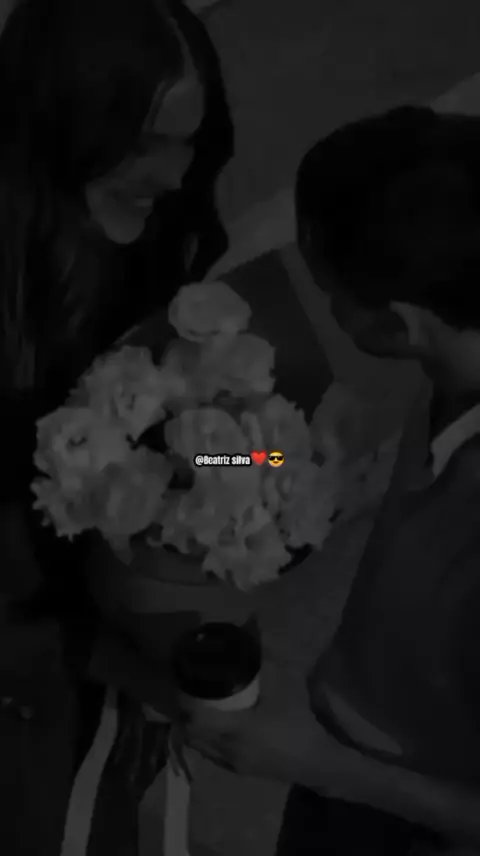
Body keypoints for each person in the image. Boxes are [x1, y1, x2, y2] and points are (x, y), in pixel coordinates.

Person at [185, 105, 480, 855]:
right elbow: (323, 472)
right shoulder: (449, 369)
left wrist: (316, 763)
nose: (315, 306)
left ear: (395, 324)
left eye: (328, 292)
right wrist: (222, 461)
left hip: (398, 813)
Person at [0, 0, 232, 851]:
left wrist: (267, 468)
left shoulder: (159, 246)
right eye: (143, 144)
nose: (174, 176)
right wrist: (114, 663)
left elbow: (186, 447)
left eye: (189, 141)